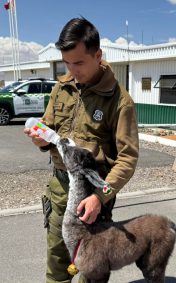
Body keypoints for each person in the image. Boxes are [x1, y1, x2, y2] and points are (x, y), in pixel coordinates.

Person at [24, 17, 139, 283]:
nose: (72, 70)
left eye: (79, 62)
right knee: (57, 264)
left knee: (92, 269)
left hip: (94, 196)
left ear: (98, 55)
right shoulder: (62, 89)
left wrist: (101, 196)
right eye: (66, 63)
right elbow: (49, 126)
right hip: (60, 190)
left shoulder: (120, 102)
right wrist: (40, 138)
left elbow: (128, 159)